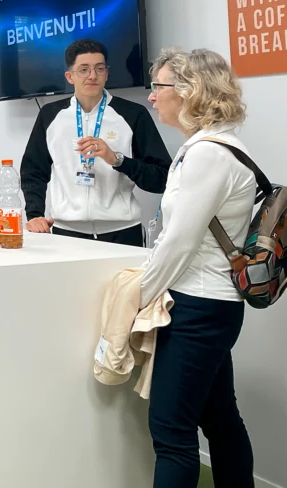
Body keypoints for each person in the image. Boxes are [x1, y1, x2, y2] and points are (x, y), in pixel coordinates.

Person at [141, 49, 255, 488]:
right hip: (209, 304)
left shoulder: (208, 154)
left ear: (190, 92)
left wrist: (138, 298)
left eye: (159, 87)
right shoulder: (211, 146)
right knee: (220, 415)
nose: (152, 97)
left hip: (198, 308)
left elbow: (178, 243)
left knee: (170, 432)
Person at [20, 38, 172, 245]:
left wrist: (118, 160)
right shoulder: (50, 115)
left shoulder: (133, 114)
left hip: (123, 231)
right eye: (83, 69)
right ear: (69, 76)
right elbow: (33, 170)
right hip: (67, 232)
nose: (92, 75)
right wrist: (34, 213)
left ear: (107, 73)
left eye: (99, 68)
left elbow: (162, 178)